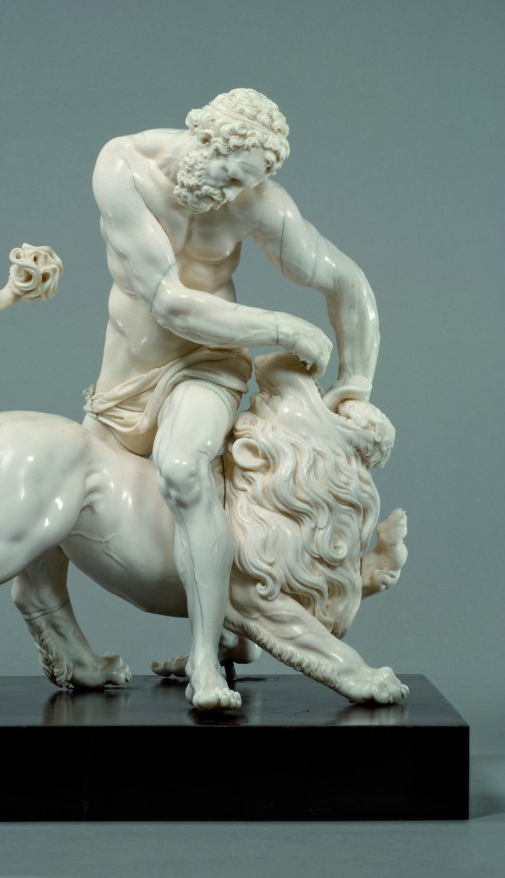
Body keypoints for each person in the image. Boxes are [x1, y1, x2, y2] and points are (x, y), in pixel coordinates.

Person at [83, 88, 380, 710]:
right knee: (68, 482)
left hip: (207, 364)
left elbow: (346, 282)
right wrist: (282, 328)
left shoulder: (257, 203)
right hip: (125, 374)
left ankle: (204, 660)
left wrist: (355, 388)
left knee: (186, 469)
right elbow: (167, 301)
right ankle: (64, 640)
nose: (229, 193)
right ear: (204, 137)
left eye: (246, 183)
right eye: (228, 174)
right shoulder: (124, 164)